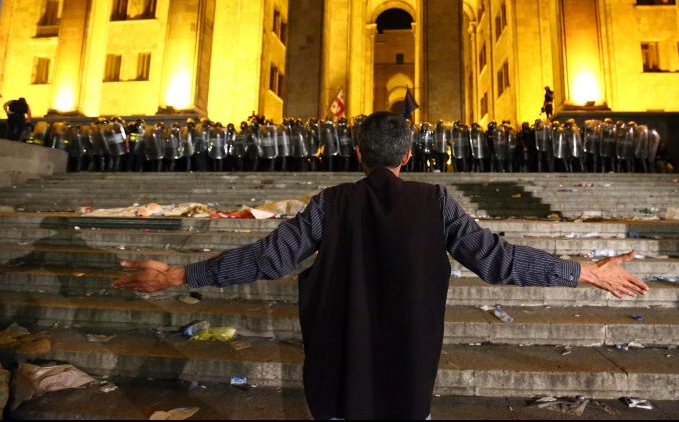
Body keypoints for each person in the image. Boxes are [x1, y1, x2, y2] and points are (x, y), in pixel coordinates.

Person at [114, 112, 649, 420]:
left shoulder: (331, 202)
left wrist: (178, 274)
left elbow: (267, 257)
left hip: (338, 379)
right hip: (407, 381)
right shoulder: (435, 203)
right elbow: (497, 259)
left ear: (356, 153)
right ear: (409, 156)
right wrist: (585, 270)